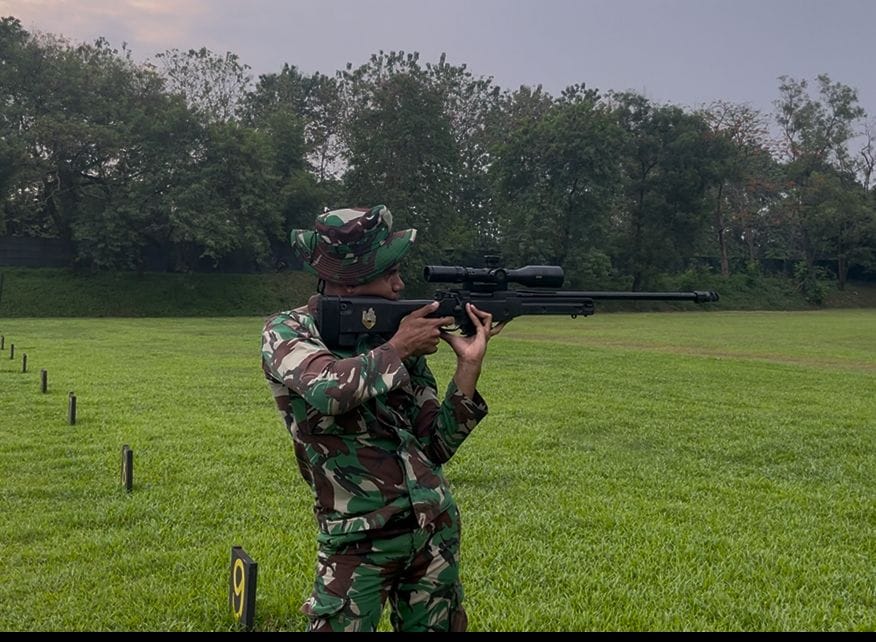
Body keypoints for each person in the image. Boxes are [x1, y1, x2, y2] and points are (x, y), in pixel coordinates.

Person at [260, 205, 502, 632]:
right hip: (356, 541)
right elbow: (330, 391)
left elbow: (434, 445)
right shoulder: (288, 332)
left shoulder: (394, 337)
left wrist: (468, 368)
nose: (399, 284)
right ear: (349, 282)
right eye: (389, 272)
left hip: (432, 532)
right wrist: (399, 348)